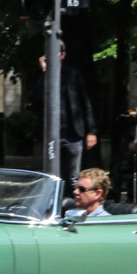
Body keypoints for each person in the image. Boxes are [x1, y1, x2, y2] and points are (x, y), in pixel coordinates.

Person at [38, 42, 99, 188]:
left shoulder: (73, 74)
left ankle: (73, 209)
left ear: (63, 55)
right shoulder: (43, 76)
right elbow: (37, 98)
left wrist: (91, 131)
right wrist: (45, 72)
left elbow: (85, 103)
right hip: (52, 136)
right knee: (52, 178)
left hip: (73, 134)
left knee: (73, 178)